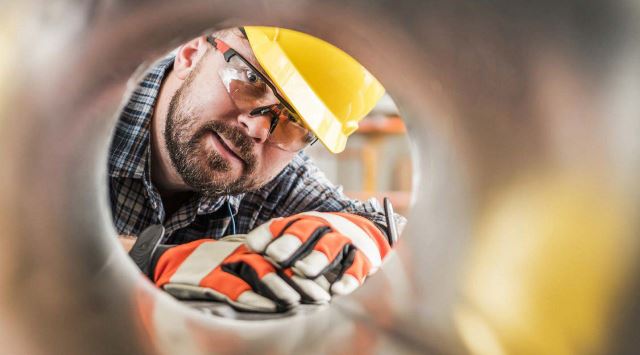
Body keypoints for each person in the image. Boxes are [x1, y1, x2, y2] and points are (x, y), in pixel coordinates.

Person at [109, 26, 406, 312]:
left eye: (296, 123)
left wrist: (365, 235)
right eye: (250, 79)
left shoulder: (275, 184)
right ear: (191, 51)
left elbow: (402, 245)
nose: (258, 128)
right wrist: (149, 260)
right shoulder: (77, 117)